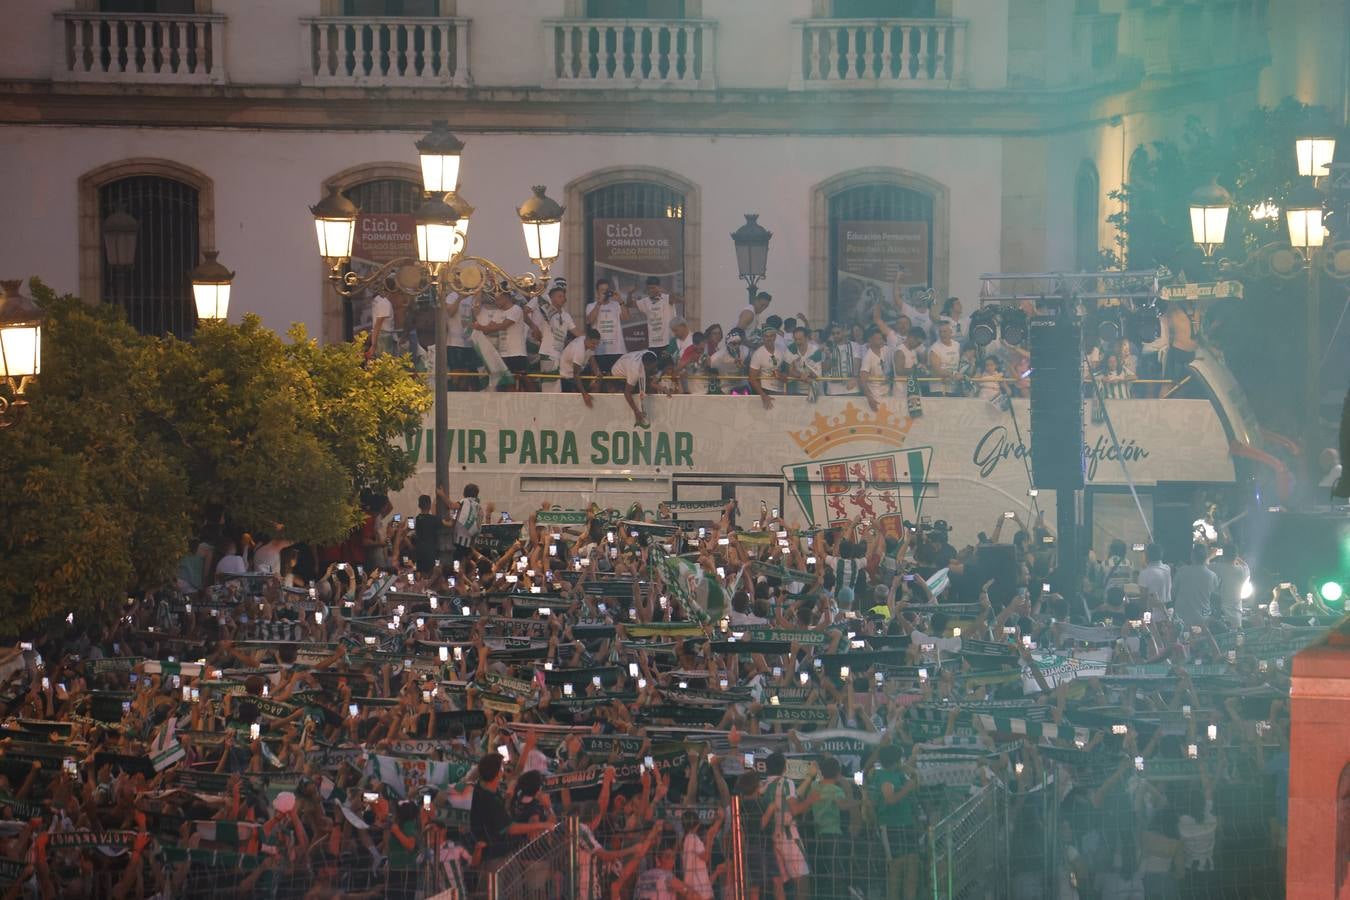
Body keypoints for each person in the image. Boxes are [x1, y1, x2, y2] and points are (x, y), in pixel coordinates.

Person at [872, 743, 921, 900]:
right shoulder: (884, 776)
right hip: (891, 827)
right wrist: (907, 788)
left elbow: (915, 778)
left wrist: (911, 773)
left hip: (906, 824)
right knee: (896, 870)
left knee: (912, 869)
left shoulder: (899, 772)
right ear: (895, 760)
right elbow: (890, 799)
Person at [529, 278, 582, 394]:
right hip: (548, 354)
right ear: (551, 298)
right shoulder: (548, 311)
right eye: (559, 296)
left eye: (564, 296)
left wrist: (589, 338)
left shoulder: (566, 316)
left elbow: (577, 333)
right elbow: (537, 300)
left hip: (559, 355)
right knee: (549, 388)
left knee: (557, 387)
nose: (563, 299)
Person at [473, 286, 529, 390]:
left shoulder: (516, 309)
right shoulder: (499, 312)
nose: (496, 302)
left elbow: (503, 325)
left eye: (498, 299)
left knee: (521, 381)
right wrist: (482, 328)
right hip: (503, 354)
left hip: (516, 353)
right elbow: (487, 329)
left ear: (506, 297)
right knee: (506, 383)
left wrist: (481, 327)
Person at [586, 278, 628, 378]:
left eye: (607, 290)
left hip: (617, 350)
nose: (605, 293)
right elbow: (590, 321)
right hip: (599, 350)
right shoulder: (591, 306)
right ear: (597, 292)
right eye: (602, 291)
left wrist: (621, 301)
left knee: (617, 380)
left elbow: (626, 318)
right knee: (601, 380)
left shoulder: (616, 305)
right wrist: (599, 303)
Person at [1172, 543, 1219, 628]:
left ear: (1192, 556)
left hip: (1181, 618)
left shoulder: (1181, 571)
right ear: (1205, 558)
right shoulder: (1212, 576)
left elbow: (1173, 593)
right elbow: (1214, 597)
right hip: (1202, 619)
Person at [611, 349, 662, 427]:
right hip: (618, 373)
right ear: (646, 365)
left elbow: (656, 371)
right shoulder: (634, 371)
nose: (655, 368)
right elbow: (627, 393)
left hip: (628, 361)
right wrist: (636, 411)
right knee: (635, 391)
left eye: (655, 365)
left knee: (647, 386)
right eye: (653, 367)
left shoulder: (652, 354)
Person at [638, 276, 680, 364]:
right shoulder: (645, 301)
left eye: (653, 288)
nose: (651, 290)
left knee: (668, 369)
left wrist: (663, 291)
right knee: (654, 369)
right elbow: (631, 304)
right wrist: (630, 294)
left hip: (668, 342)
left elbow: (676, 298)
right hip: (653, 343)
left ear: (659, 287)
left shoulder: (666, 298)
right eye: (649, 288)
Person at [559, 328, 602, 406]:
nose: (595, 346)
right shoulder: (579, 350)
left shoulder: (588, 343)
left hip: (577, 372)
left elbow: (592, 360)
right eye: (593, 344)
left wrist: (598, 373)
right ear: (588, 339)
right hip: (566, 376)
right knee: (570, 404)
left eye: (597, 344)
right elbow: (576, 374)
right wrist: (584, 395)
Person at [749, 325, 787, 410]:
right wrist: (763, 395)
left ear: (775, 337)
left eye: (771, 336)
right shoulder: (758, 354)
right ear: (763, 338)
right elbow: (752, 378)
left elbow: (787, 372)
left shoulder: (782, 350)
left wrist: (781, 376)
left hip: (781, 389)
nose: (769, 338)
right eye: (766, 336)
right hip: (766, 390)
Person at [450, 483, 484, 562]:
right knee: (463, 564)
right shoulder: (478, 506)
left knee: (457, 564)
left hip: (459, 539)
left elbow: (452, 506)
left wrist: (441, 494)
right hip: (469, 542)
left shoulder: (465, 501)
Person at [927, 320, 961, 396]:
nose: (942, 334)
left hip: (953, 388)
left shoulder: (957, 345)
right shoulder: (935, 348)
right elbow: (937, 370)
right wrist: (953, 374)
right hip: (938, 389)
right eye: (940, 332)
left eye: (945, 331)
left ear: (951, 332)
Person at [1137, 542, 1171, 611]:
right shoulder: (1167, 568)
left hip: (1153, 611)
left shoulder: (1145, 573)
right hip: (1168, 608)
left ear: (1147, 556)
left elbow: (1143, 596)